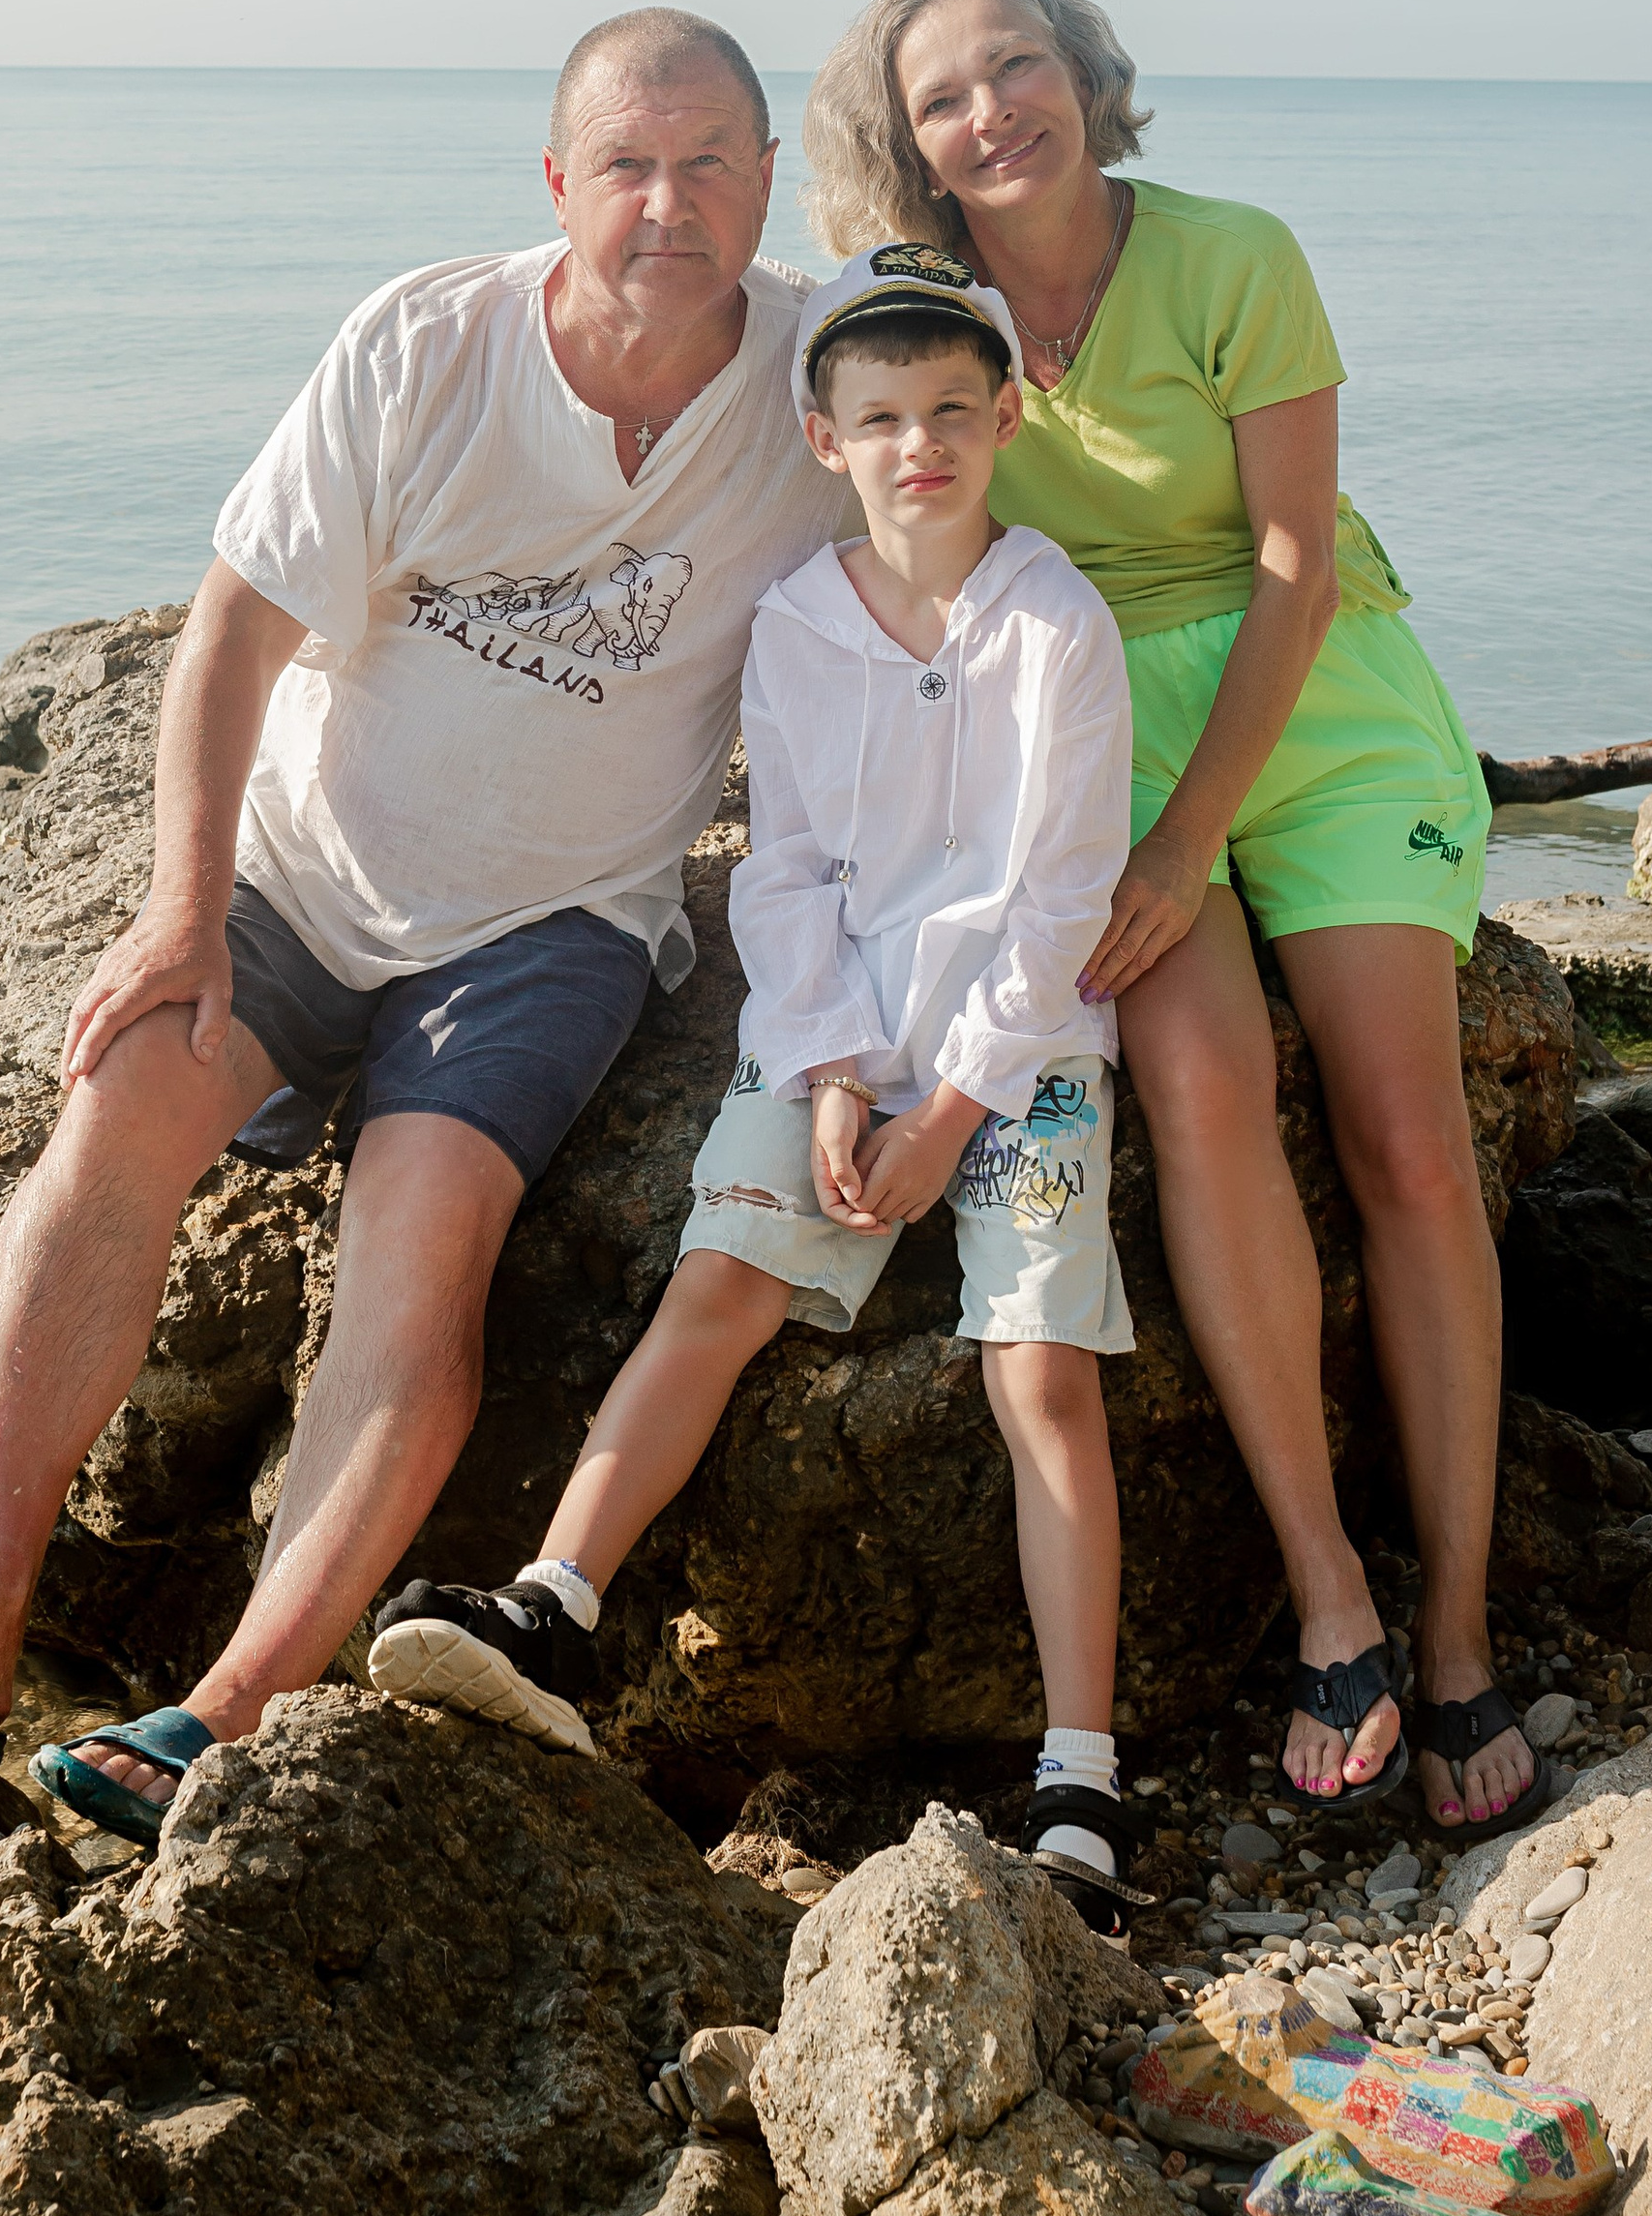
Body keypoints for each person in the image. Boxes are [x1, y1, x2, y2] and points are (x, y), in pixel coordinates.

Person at [0, 9, 851, 1843]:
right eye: (626, 167)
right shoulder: (429, 343)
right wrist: (184, 911)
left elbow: (1051, 386)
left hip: (548, 927)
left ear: (768, 176)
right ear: (558, 181)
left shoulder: (830, 371)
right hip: (297, 880)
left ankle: (224, 1709)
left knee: (421, 1246)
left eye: (710, 164)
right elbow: (234, 635)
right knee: (117, 1114)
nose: (669, 206)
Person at [799, 0, 1547, 1844]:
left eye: (1018, 67)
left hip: (1322, 715)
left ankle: (1455, 1632)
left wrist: (1189, 842)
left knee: (1403, 1138)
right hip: (1094, 723)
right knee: (1203, 1085)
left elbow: (1290, 566)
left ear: (1083, 78)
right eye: (946, 96)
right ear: (914, 143)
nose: (992, 113)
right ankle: (1329, 1596)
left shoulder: (1232, 254)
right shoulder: (927, 315)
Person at [361, 248, 1147, 1932]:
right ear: (824, 436)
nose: (918, 442)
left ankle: (1080, 1776)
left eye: (951, 409)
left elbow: (1064, 892)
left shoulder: (1057, 622)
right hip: (835, 1024)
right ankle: (551, 1604)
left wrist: (951, 1108)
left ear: (1008, 415)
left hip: (1023, 1058)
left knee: (1038, 1371)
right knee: (716, 1285)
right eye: (881, 415)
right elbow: (781, 869)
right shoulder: (795, 625)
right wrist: (839, 1071)